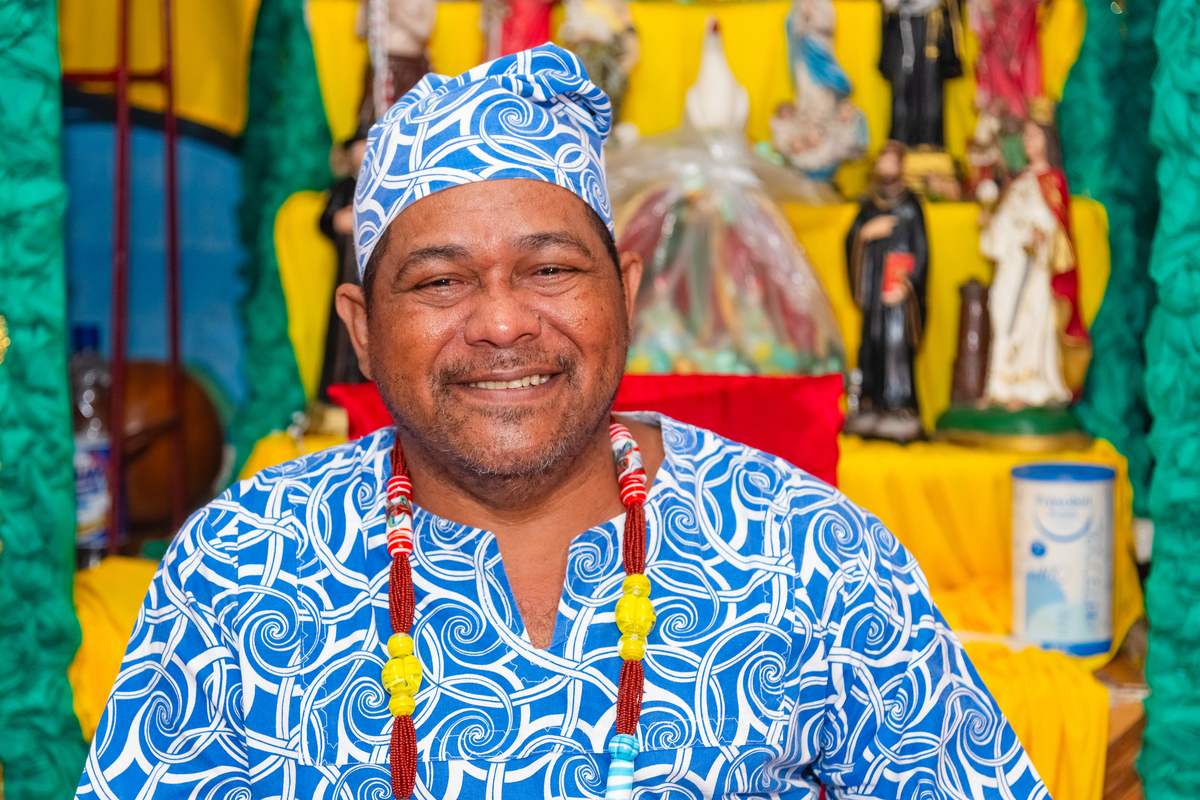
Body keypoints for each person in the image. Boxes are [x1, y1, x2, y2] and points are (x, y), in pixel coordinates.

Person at [76, 46, 1047, 800]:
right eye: (440, 281)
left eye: (549, 269)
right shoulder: (241, 566)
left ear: (624, 293)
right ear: (362, 331)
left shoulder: (810, 552)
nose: (502, 323)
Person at [980, 113, 1091, 408]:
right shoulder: (1020, 182)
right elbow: (1005, 221)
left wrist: (1042, 235)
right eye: (1025, 136)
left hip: (1036, 269)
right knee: (1002, 313)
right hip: (1012, 265)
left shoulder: (1053, 181)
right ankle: (1001, 386)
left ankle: (1029, 384)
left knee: (1029, 319)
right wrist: (994, 224)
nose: (1027, 142)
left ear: (1047, 141)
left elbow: (1058, 227)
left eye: (1033, 136)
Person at [844, 141, 929, 443]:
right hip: (874, 293)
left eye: (892, 163)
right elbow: (851, 238)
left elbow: (922, 250)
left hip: (897, 294)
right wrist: (866, 234)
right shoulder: (868, 205)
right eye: (883, 162)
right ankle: (871, 404)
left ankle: (898, 405)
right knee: (872, 344)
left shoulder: (910, 206)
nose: (887, 168)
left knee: (896, 347)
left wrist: (908, 284)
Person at [879, 0, 963, 148]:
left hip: (930, 20)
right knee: (902, 88)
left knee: (929, 87)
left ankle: (929, 141)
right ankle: (900, 143)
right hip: (900, 22)